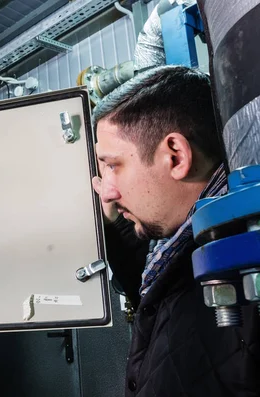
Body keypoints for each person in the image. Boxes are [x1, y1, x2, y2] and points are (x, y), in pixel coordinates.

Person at [91, 65, 260, 397]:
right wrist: (113, 227)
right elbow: (159, 293)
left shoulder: (240, 273)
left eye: (113, 166)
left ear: (176, 156)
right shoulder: (182, 244)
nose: (107, 190)